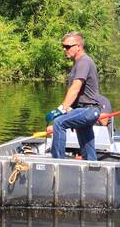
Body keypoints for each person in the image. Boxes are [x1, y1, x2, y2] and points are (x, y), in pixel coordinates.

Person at [46, 31, 111, 160]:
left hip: (89, 110)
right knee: (87, 150)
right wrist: (70, 111)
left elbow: (75, 88)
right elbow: (77, 92)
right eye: (63, 46)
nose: (65, 49)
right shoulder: (79, 63)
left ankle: (57, 162)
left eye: (68, 46)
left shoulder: (84, 62)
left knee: (59, 123)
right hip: (84, 110)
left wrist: (61, 109)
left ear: (78, 46)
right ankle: (93, 167)